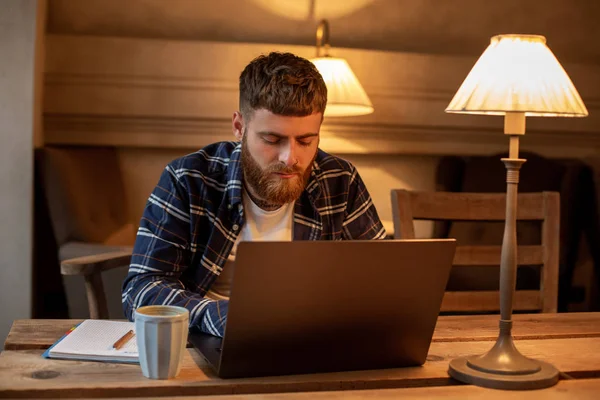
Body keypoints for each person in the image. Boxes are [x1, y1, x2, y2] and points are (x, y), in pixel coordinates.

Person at [122, 52, 386, 337]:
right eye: (272, 140)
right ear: (239, 126)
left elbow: (383, 281)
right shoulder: (188, 179)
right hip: (210, 340)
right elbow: (142, 291)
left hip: (312, 339)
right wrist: (225, 318)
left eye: (306, 140)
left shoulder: (340, 181)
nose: (290, 158)